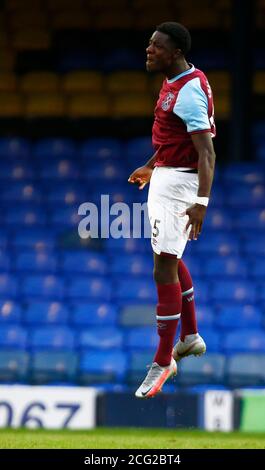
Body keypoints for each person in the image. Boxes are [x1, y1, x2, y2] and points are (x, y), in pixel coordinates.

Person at [128, 22, 216, 398]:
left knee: (163, 265)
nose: (149, 50)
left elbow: (207, 152)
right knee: (169, 255)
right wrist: (152, 164)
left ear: (176, 51)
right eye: (149, 44)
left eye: (156, 47)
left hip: (180, 184)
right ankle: (191, 335)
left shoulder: (189, 92)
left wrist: (201, 203)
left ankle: (163, 359)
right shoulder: (177, 80)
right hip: (167, 175)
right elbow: (175, 137)